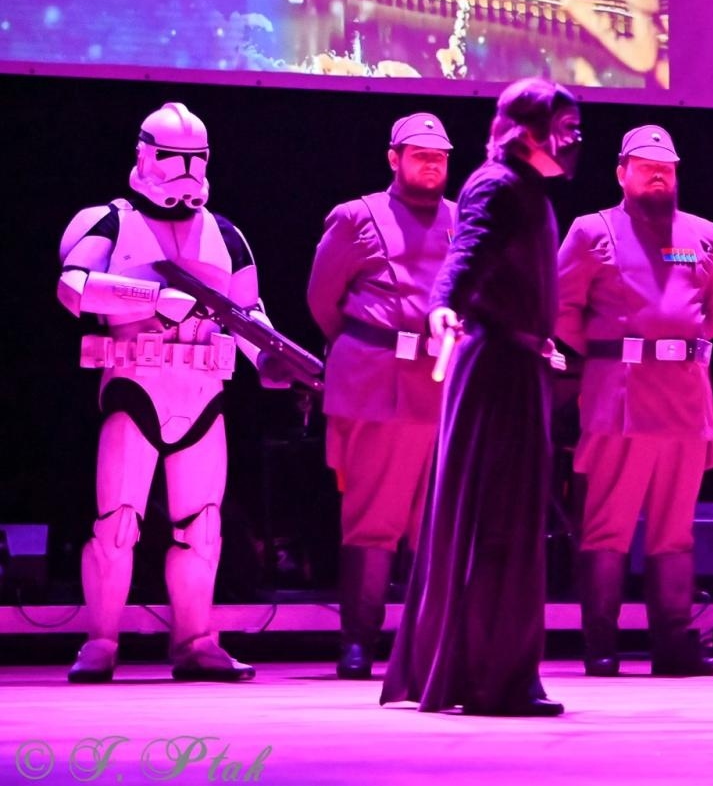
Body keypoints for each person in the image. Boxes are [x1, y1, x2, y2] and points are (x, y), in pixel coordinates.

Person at [57, 102, 291, 682]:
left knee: (202, 523)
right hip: (135, 383)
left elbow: (247, 311)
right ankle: (102, 640)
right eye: (172, 158)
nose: (184, 169)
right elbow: (73, 286)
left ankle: (195, 639)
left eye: (195, 159)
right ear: (144, 155)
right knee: (116, 521)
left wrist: (267, 355)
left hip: (202, 392)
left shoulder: (227, 236)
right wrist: (150, 300)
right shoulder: (109, 222)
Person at [379, 78, 581, 717]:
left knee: (509, 521)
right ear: (526, 130)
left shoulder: (529, 190)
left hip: (514, 365)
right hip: (494, 368)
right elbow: (464, 255)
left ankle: (496, 673)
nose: (573, 139)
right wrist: (443, 306)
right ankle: (490, 678)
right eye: (563, 126)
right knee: (496, 520)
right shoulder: (497, 186)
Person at [556, 124, 713, 678]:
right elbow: (562, 310)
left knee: (675, 529)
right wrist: (613, 354)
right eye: (647, 165)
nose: (659, 174)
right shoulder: (592, 230)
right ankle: (600, 645)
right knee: (607, 525)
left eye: (668, 167)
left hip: (683, 400)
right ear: (621, 172)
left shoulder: (700, 234)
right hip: (621, 399)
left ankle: (673, 645)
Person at [306, 113, 458, 680]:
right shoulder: (356, 217)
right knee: (372, 518)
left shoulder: (463, 221)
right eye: (419, 153)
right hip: (377, 385)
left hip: (441, 388)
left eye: (440, 155)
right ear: (393, 157)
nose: (431, 162)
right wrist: (374, 348)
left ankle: (424, 643)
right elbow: (324, 300)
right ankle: (358, 641)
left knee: (434, 524)